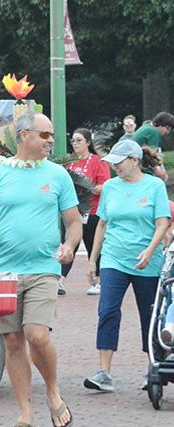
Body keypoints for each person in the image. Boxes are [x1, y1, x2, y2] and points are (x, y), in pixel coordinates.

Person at [0, 112, 80, 427]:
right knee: (14, 340)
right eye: (44, 135)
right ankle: (25, 415)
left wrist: (70, 245)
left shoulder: (58, 175)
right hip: (4, 271)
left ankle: (53, 391)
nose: (50, 141)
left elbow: (74, 222)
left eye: (52, 136)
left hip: (44, 268)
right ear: (23, 136)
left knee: (36, 335)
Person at [83, 141, 170, 392]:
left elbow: (162, 223)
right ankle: (104, 373)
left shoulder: (154, 185)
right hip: (113, 258)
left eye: (119, 162)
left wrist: (150, 250)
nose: (114, 166)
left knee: (150, 315)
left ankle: (152, 368)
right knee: (107, 309)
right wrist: (92, 261)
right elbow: (102, 224)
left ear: (134, 159)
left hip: (147, 262)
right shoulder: (110, 187)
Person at [60, 128, 111, 295]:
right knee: (68, 244)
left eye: (79, 140)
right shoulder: (70, 162)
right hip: (73, 211)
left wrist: (87, 189)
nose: (75, 144)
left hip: (93, 210)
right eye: (73, 140)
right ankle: (60, 280)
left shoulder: (97, 161)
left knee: (93, 245)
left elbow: (106, 186)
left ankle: (99, 281)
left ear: (88, 142)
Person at [130, 112, 172, 180]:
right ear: (164, 125)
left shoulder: (146, 127)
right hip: (140, 166)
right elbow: (151, 155)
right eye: (168, 129)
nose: (167, 132)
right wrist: (158, 171)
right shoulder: (154, 132)